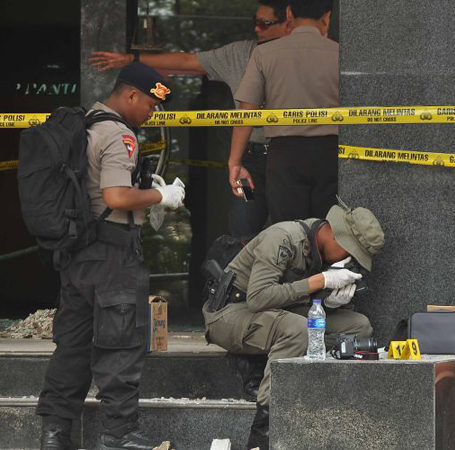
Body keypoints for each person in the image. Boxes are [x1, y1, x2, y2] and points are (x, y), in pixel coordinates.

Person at [37, 62, 185, 450]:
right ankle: (118, 437)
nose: (152, 113)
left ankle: (54, 434)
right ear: (131, 95)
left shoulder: (84, 124)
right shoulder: (120, 134)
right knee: (119, 345)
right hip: (113, 257)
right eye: (151, 104)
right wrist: (160, 196)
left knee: (71, 347)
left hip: (78, 255)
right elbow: (117, 197)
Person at [89, 0, 290, 238]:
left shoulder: (301, 56)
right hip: (251, 159)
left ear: (289, 23)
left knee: (292, 227)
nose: (257, 29)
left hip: (291, 154)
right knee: (242, 223)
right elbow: (187, 61)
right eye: (254, 22)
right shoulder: (240, 53)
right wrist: (132, 60)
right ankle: (241, 271)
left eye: (264, 24)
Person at [203, 201, 385, 450]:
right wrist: (320, 280)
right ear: (335, 237)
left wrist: (327, 303)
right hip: (230, 313)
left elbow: (295, 299)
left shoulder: (319, 249)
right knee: (297, 328)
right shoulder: (283, 238)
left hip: (277, 313)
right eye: (350, 253)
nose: (348, 261)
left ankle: (314, 387)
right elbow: (258, 298)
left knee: (358, 327)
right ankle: (264, 431)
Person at [229, 0, 339, 224]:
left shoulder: (265, 54)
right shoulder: (340, 54)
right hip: (331, 154)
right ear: (327, 16)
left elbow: (246, 112)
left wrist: (235, 162)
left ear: (289, 13)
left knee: (288, 232)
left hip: (284, 155)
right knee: (327, 231)